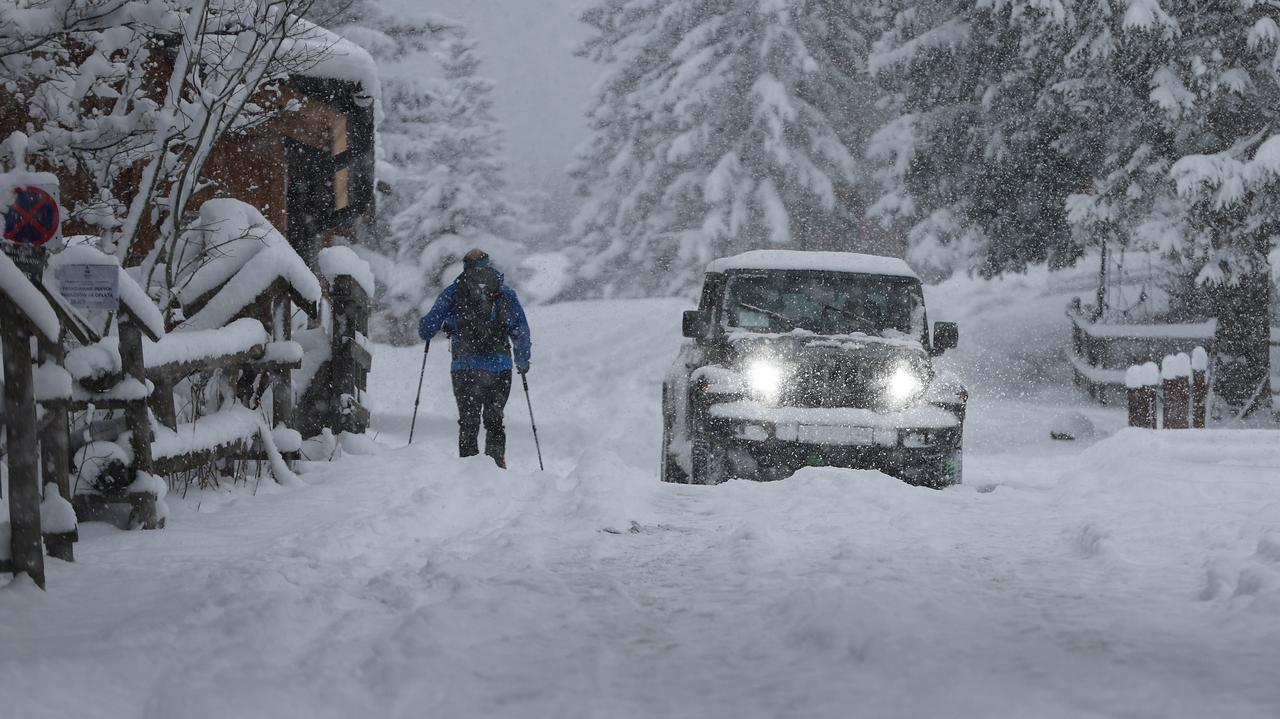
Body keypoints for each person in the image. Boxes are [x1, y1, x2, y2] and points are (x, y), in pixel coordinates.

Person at [418, 250, 532, 468]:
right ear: (489, 265)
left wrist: (442, 325)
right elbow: (520, 331)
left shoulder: (453, 292)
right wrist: (523, 361)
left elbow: (426, 329)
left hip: (465, 367)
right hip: (500, 367)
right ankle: (497, 465)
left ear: (465, 267)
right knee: (495, 420)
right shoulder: (505, 293)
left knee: (469, 423)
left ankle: (469, 470)